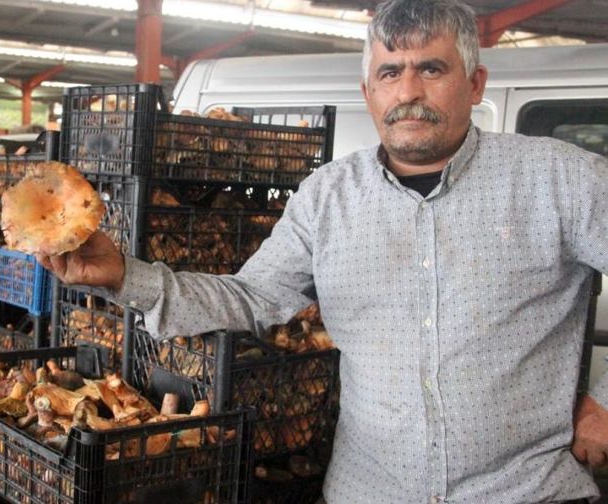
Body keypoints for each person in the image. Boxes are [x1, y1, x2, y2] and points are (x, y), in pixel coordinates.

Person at [37, 0, 608, 501]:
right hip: (373, 490)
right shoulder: (328, 197)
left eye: (431, 69)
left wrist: (605, 404)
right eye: (390, 73)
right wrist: (121, 277)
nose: (409, 91)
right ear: (369, 92)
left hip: (524, 490)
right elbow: (250, 297)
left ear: (476, 84)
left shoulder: (560, 180)